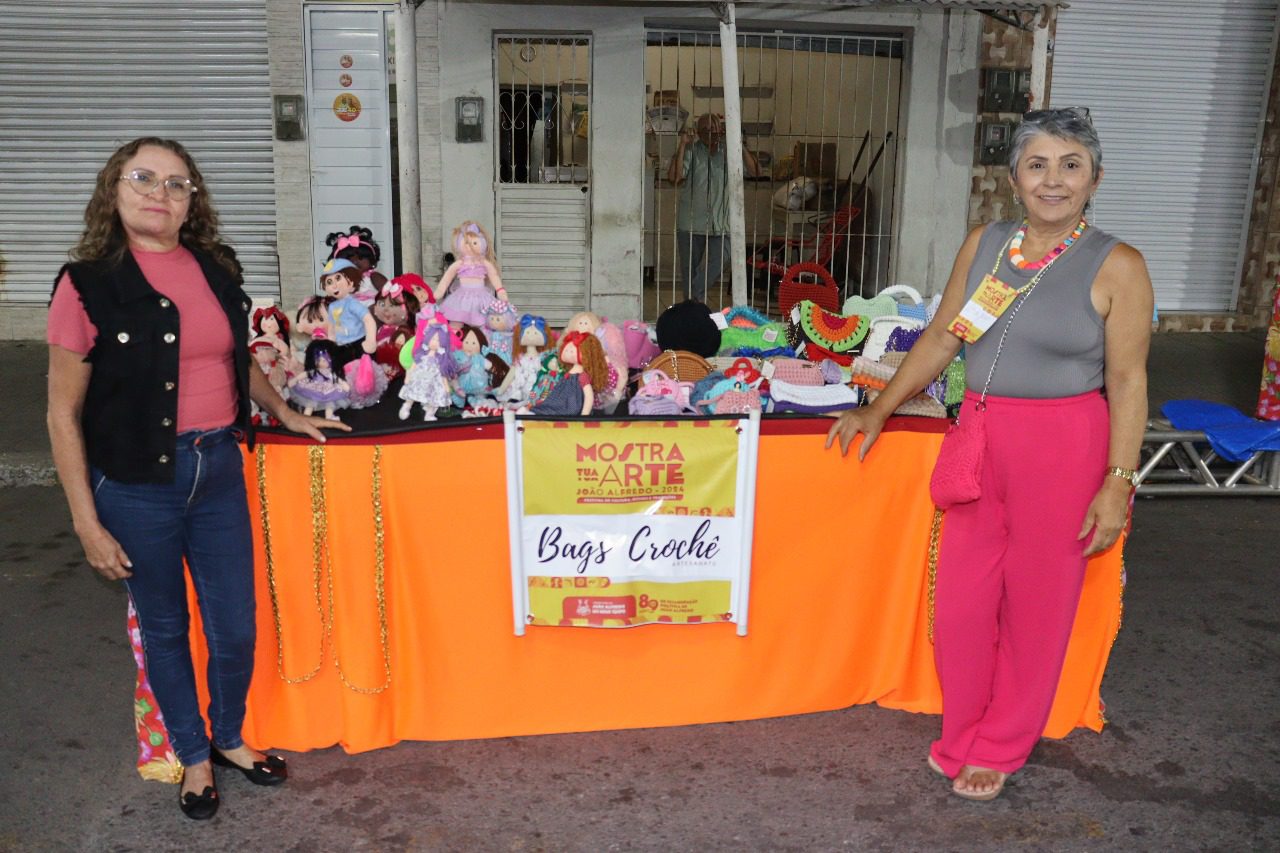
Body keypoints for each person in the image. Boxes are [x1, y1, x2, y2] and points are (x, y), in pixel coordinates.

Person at [826, 108, 1153, 801]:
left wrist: (1118, 482)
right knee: (962, 606)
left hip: (1062, 446)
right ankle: (963, 728)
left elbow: (1128, 380)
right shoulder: (987, 243)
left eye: (1071, 165)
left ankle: (1001, 743)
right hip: (977, 436)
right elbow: (944, 335)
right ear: (1014, 178)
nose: (1053, 180)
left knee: (1038, 604)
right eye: (1038, 165)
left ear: (1095, 180)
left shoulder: (1118, 265)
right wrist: (879, 408)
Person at [45, 137, 350, 820]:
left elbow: (235, 358)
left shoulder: (213, 268)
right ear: (114, 190)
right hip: (135, 485)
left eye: (177, 183)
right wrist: (86, 522)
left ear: (192, 202)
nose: (160, 193)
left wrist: (282, 410)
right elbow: (62, 413)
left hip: (218, 470)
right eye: (143, 178)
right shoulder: (86, 283)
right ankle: (193, 754)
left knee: (234, 625)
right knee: (166, 627)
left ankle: (230, 736)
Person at [667, 112, 760, 302]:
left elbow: (756, 171)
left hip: (722, 221)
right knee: (689, 269)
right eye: (705, 130)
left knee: (722, 258)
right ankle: (694, 309)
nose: (711, 133)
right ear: (698, 132)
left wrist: (739, 144)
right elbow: (675, 177)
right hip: (691, 221)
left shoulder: (730, 151)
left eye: (715, 129)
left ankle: (693, 294)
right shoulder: (692, 150)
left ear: (722, 130)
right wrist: (683, 145)